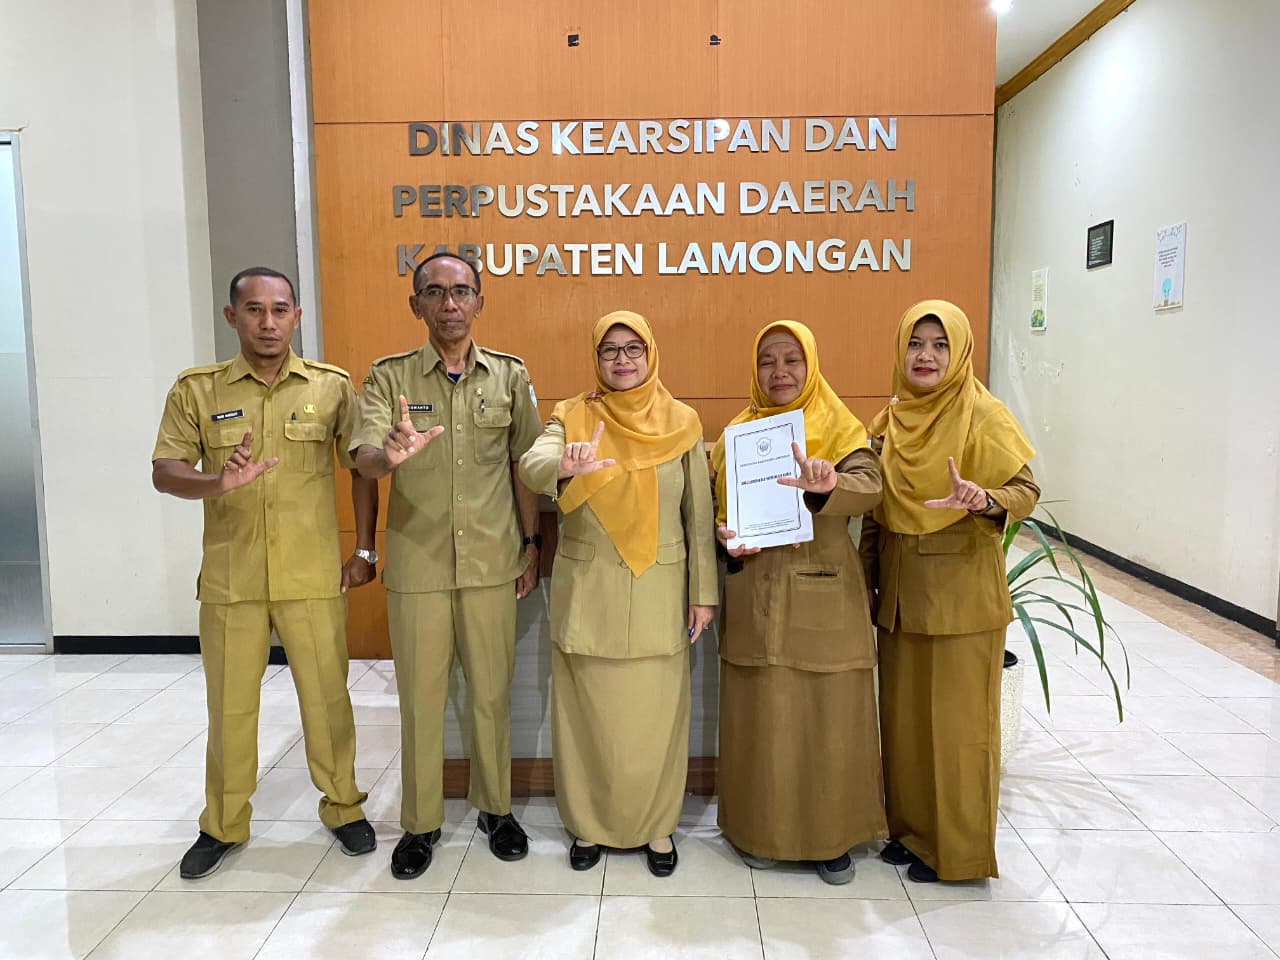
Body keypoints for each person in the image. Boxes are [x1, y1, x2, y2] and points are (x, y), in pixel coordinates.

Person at [152, 267, 379, 879]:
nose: (269, 322)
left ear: (297, 317)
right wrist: (216, 481)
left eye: (281, 310)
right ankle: (223, 824)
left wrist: (365, 551)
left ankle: (344, 807)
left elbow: (362, 465)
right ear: (233, 317)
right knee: (229, 708)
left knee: (328, 700)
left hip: (310, 577)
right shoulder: (198, 390)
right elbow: (166, 469)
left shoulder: (330, 387)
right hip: (233, 580)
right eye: (254, 310)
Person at [351, 251, 543, 880]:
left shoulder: (510, 378)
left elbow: (525, 466)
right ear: (417, 306)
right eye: (434, 292)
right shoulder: (388, 378)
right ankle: (420, 823)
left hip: (492, 561)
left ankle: (497, 809)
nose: (449, 303)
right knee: (421, 701)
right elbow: (364, 457)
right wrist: (390, 454)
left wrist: (532, 545)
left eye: (461, 291)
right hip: (419, 566)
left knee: (491, 696)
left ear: (480, 302)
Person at [517, 311, 716, 877]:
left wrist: (703, 594)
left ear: (651, 354)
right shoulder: (573, 414)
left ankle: (657, 829)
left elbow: (697, 518)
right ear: (595, 359)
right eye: (610, 350)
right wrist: (564, 461)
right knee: (585, 722)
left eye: (633, 349)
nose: (622, 360)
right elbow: (532, 463)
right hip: (589, 595)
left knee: (657, 722)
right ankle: (588, 827)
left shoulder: (682, 420)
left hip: (660, 592)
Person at [861, 299, 1039, 884]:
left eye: (940, 344)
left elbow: (1024, 490)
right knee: (908, 729)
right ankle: (913, 836)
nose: (927, 356)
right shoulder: (889, 421)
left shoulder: (984, 415)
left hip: (962, 596)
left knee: (961, 733)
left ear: (958, 351)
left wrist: (984, 500)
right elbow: (871, 511)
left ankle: (958, 854)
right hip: (902, 593)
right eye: (917, 344)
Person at [711, 321, 887, 884]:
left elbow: (872, 487)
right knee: (760, 721)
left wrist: (827, 483)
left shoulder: (840, 426)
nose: (780, 372)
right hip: (754, 594)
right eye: (768, 361)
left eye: (792, 360)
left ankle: (830, 839)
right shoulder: (739, 434)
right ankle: (757, 832)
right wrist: (724, 540)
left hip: (822, 595)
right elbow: (720, 517)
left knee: (827, 719)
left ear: (811, 364)